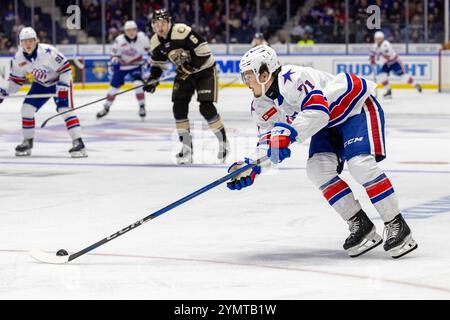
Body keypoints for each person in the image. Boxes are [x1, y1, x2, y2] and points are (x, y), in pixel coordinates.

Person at [227, 45, 418, 259]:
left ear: (264, 73)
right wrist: (251, 166)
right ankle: (360, 224)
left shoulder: (293, 78)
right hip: (327, 124)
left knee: (360, 165)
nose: (246, 82)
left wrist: (287, 134)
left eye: (249, 76)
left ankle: (397, 224)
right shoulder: (260, 105)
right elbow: (267, 142)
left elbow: (317, 112)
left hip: (354, 108)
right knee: (317, 169)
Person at [143, 9, 229, 164]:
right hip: (184, 73)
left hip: (205, 70)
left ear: (169, 23)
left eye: (163, 22)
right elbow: (158, 64)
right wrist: (152, 80)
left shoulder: (182, 32)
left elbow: (204, 52)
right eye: (156, 23)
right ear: (153, 25)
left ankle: (223, 142)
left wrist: (191, 66)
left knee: (206, 108)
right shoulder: (155, 41)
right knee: (179, 107)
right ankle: (187, 147)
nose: (160, 26)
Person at [0, 27, 87, 158]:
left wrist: (63, 86)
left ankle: (78, 142)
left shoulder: (48, 52)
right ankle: (27, 142)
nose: (28, 44)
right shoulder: (19, 58)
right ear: (20, 43)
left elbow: (66, 68)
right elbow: (16, 80)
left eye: (30, 41)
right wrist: (5, 92)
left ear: (36, 41)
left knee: (65, 109)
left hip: (59, 81)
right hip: (41, 84)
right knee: (26, 109)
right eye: (24, 41)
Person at [96, 20, 150, 120]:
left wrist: (153, 57)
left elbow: (150, 49)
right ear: (125, 31)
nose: (131, 32)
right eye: (129, 30)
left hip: (135, 66)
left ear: (136, 30)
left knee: (138, 84)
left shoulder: (142, 37)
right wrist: (115, 61)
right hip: (122, 67)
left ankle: (142, 106)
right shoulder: (119, 40)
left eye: (133, 30)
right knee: (113, 89)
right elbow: (113, 55)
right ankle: (106, 107)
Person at [370, 31, 422, 98]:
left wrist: (376, 57)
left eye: (380, 38)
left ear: (382, 38)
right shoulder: (375, 46)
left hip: (394, 62)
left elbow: (387, 56)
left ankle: (415, 84)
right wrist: (372, 59)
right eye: (377, 39)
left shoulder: (386, 44)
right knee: (381, 76)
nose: (378, 40)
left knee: (403, 76)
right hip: (387, 63)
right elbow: (372, 54)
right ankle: (388, 91)